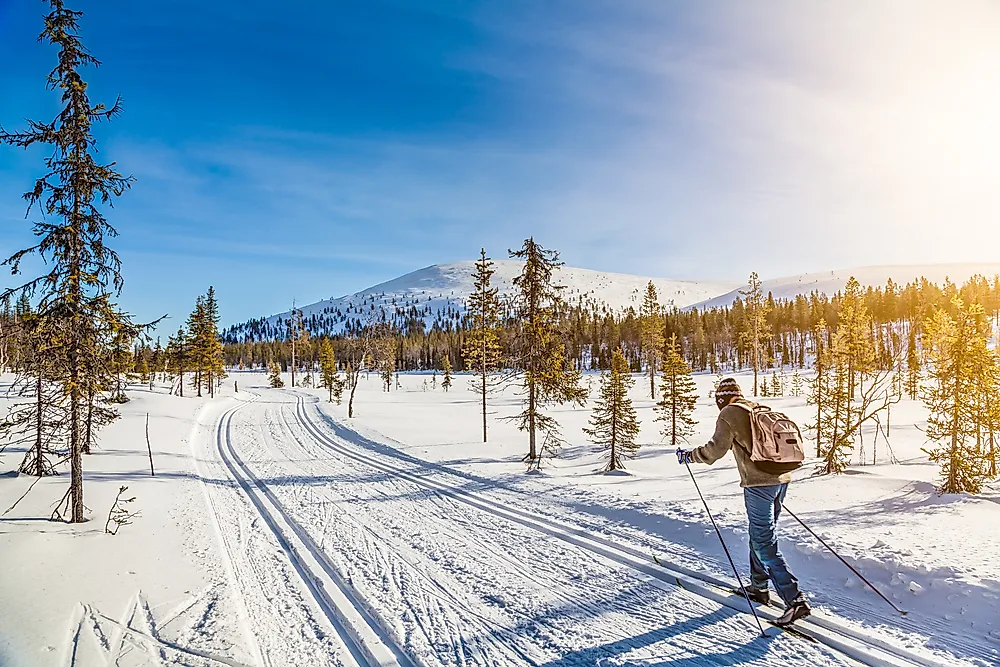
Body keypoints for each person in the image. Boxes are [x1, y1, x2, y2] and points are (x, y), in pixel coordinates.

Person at [676, 377, 811, 626]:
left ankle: (795, 600)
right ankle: (759, 587)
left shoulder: (729, 413)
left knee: (763, 541)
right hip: (781, 481)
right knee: (760, 535)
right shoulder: (756, 408)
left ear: (721, 399)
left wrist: (689, 456)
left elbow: (715, 451)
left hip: (759, 485)